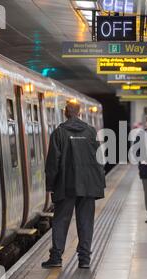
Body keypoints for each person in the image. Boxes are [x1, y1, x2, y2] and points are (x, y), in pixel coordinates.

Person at [42, 102, 106, 269]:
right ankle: (84, 259)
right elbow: (99, 159)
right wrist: (99, 184)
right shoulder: (91, 131)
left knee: (61, 221)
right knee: (86, 222)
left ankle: (56, 257)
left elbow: (52, 163)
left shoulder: (59, 133)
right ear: (80, 113)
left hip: (65, 184)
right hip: (88, 185)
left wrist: (50, 186)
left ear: (65, 113)